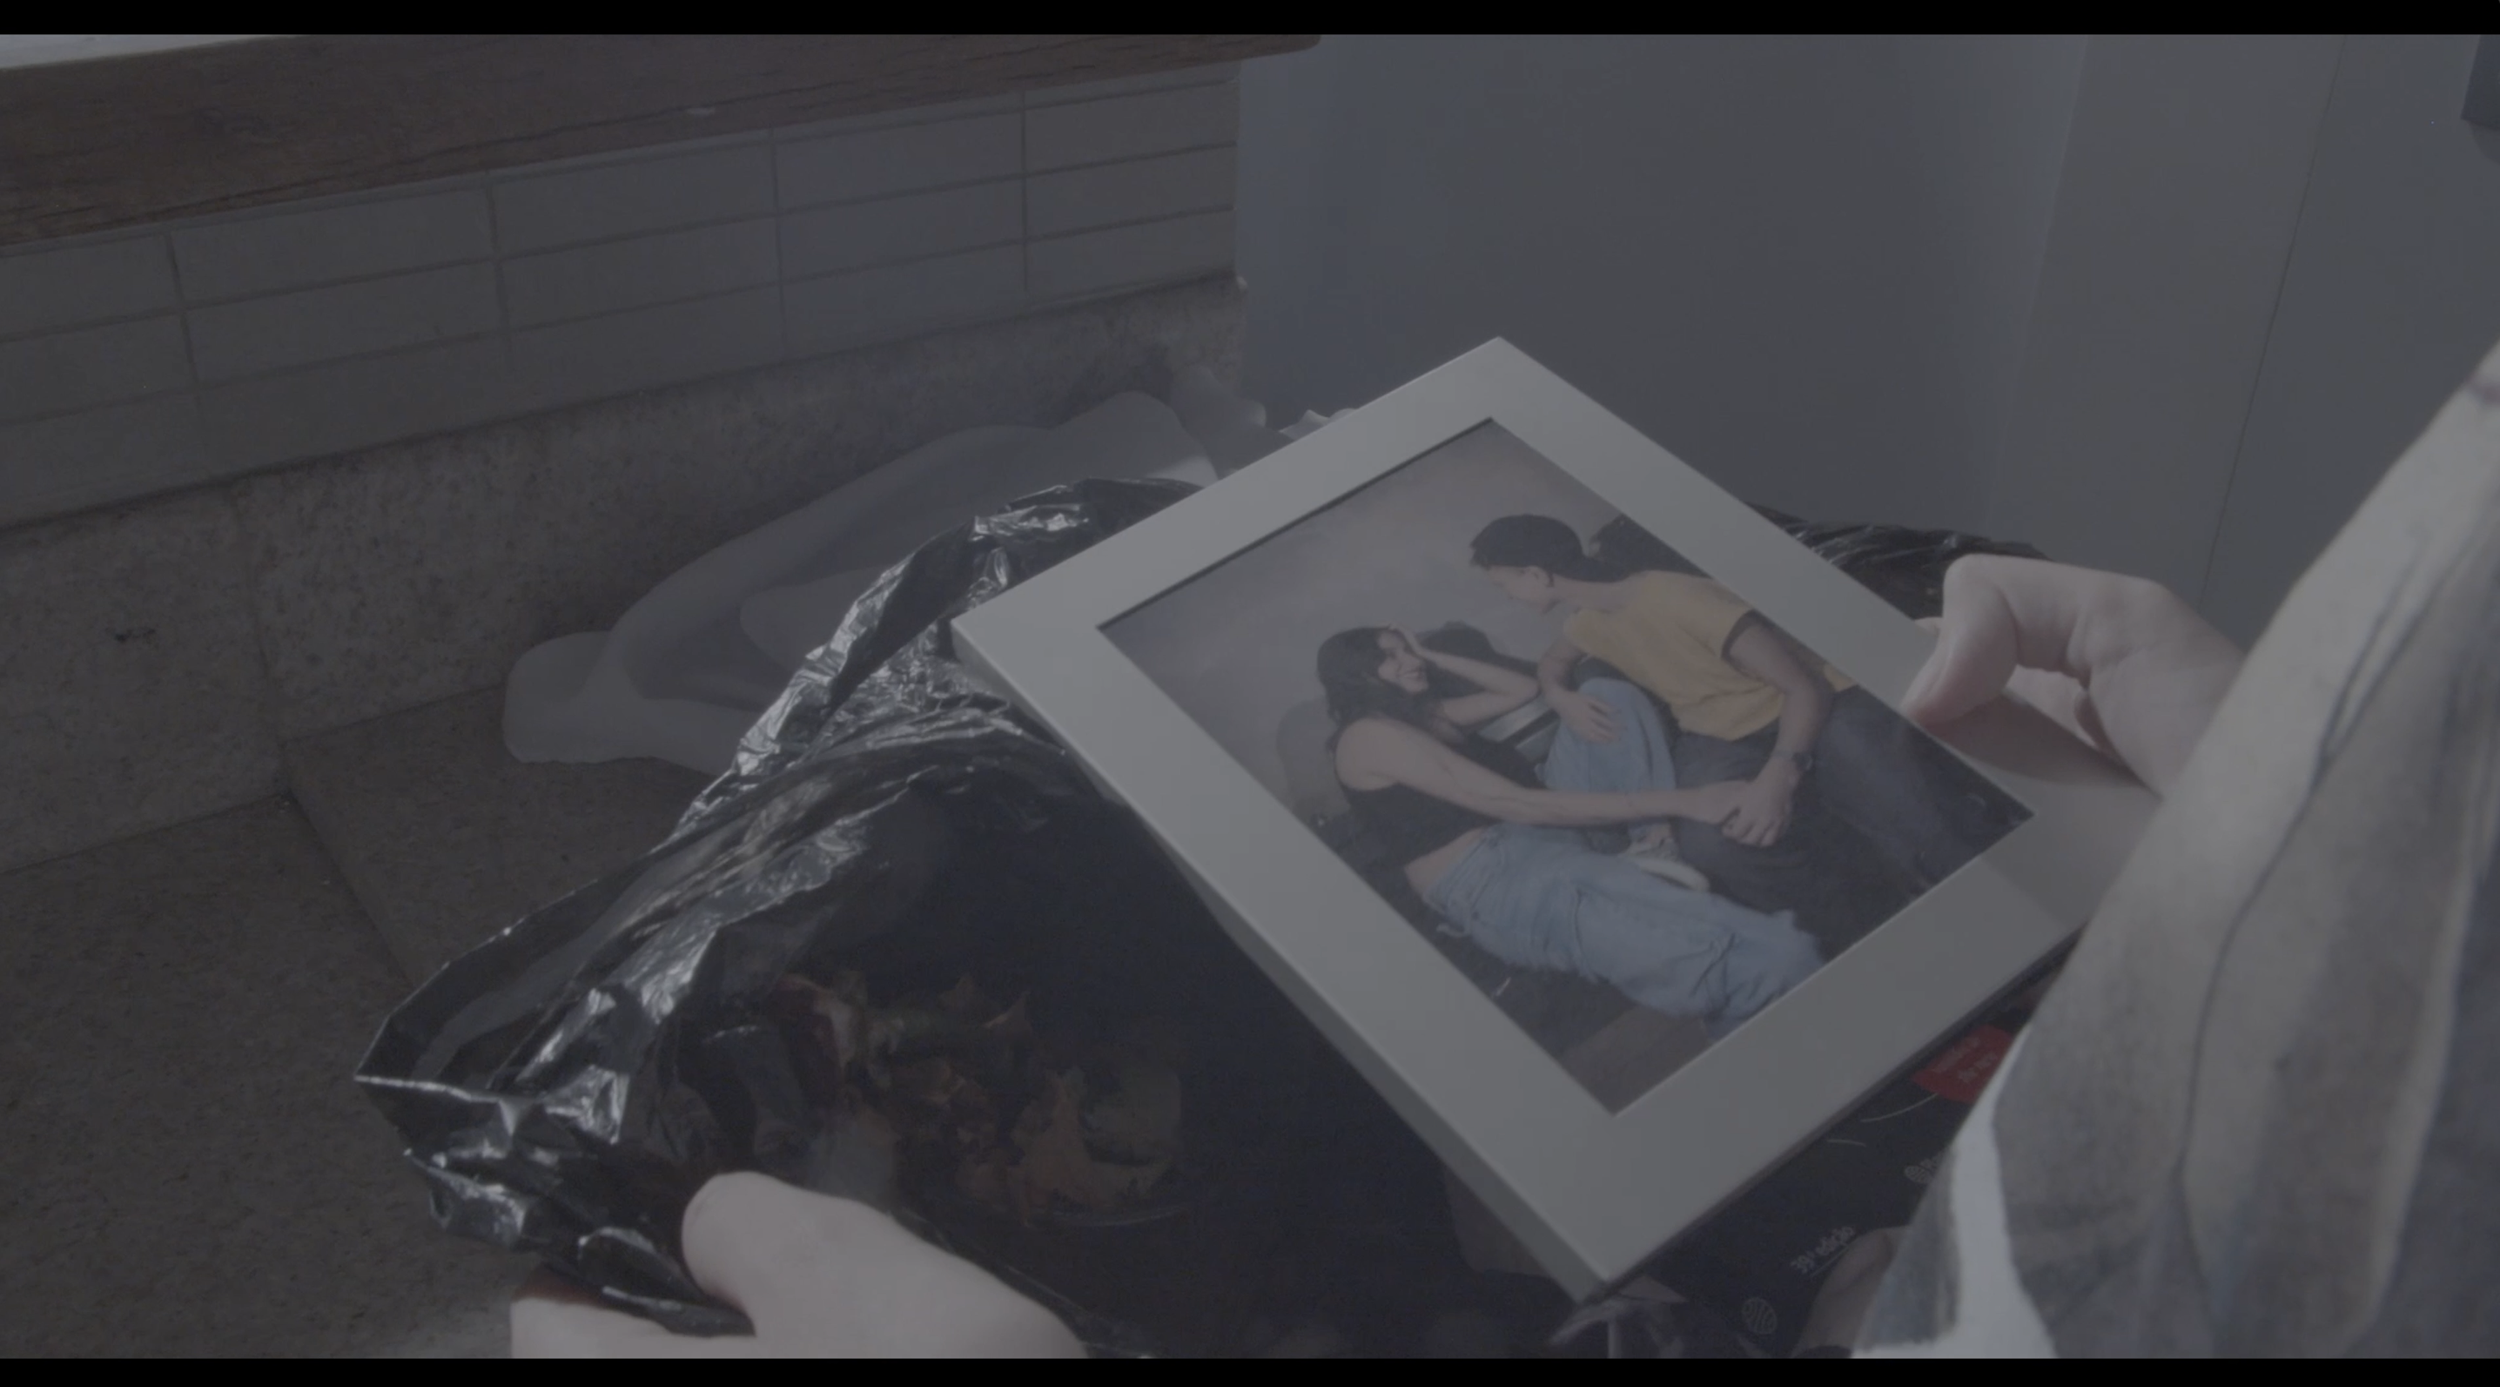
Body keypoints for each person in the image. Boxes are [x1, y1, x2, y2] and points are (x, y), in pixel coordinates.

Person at [515, 340, 2500, 1357]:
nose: (1429, 652)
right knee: (1722, 937)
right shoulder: (1374, 735)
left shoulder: (1475, 683)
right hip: (1511, 875)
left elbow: (1549, 720)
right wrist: (2301, 805)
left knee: (1691, 874)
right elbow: (1531, 797)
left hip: (1614, 873)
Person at [1313, 624, 1823, 1034]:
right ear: (1355, 674)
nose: (1410, 660)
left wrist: (1429, 654)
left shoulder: (1426, 715)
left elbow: (1522, 688)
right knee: (1772, 960)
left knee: (1605, 694)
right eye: (1390, 656)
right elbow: (1515, 803)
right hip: (1495, 875)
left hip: (1544, 832)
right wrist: (1690, 801)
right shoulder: (1367, 737)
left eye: (1407, 649)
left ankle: (1654, 843)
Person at [1469, 515, 1988, 900]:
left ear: (1536, 575)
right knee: (1712, 846)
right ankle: (1852, 936)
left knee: (1895, 797)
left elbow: (1804, 689)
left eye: (1503, 585)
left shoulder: (1678, 599)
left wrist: (1779, 777)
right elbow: (1552, 664)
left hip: (1818, 702)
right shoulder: (1586, 622)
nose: (1507, 598)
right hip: (1721, 735)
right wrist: (1561, 697)